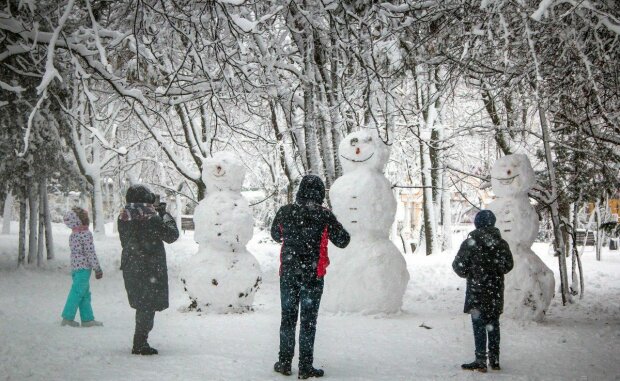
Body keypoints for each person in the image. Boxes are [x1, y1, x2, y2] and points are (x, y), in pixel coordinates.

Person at [270, 175, 350, 379]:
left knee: (287, 319)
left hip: (288, 273)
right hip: (313, 275)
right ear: (321, 193)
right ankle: (305, 367)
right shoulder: (324, 215)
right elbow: (343, 240)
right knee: (308, 322)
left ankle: (285, 363)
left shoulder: (285, 211)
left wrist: (292, 235)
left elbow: (276, 235)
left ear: (300, 191)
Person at [118, 184, 179, 355]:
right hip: (150, 267)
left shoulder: (124, 216)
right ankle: (140, 342)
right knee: (147, 305)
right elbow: (172, 235)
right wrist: (164, 214)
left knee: (142, 303)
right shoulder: (150, 218)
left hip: (132, 266)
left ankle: (140, 341)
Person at [452, 209, 513, 372]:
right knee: (493, 324)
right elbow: (508, 266)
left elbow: (458, 266)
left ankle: (480, 360)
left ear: (477, 223)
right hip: (495, 291)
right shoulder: (501, 243)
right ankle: (495, 360)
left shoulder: (470, 243)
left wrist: (470, 274)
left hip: (476, 291)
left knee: (479, 325)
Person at [61, 207, 104, 327]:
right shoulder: (85, 234)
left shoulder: (74, 234)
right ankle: (67, 317)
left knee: (84, 293)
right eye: (85, 218)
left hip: (75, 268)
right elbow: (90, 253)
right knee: (77, 292)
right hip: (84, 268)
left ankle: (87, 319)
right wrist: (97, 268)